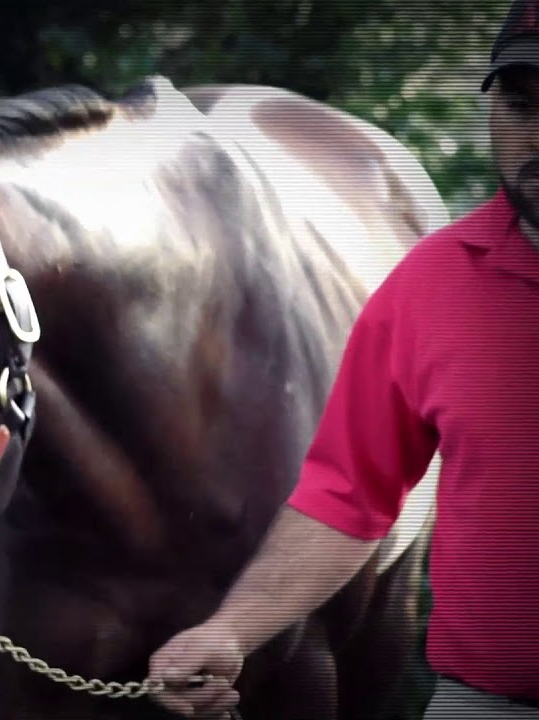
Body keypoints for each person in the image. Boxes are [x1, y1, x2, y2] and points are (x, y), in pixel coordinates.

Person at [146, 1, 539, 717]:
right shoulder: (433, 283)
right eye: (520, 105)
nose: (537, 135)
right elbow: (348, 497)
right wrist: (231, 631)